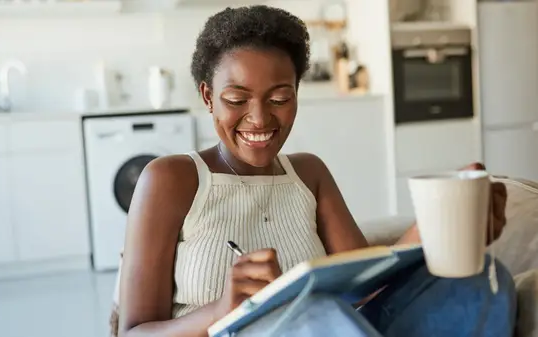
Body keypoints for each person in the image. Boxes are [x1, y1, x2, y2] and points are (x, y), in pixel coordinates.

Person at [114, 5, 516, 337]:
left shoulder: (309, 173)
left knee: (479, 278)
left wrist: (444, 224)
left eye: (279, 98)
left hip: (337, 328)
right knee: (313, 315)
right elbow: (133, 333)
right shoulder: (170, 179)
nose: (258, 118)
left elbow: (369, 283)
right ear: (208, 96)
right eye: (237, 98)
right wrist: (221, 310)